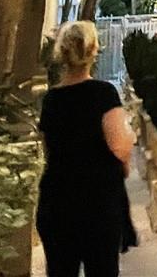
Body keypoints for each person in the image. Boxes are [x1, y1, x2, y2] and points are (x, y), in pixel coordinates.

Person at [37, 21, 136, 277]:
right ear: (94, 50)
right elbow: (119, 146)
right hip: (98, 202)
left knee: (60, 271)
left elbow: (49, 151)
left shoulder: (52, 100)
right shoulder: (103, 94)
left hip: (57, 201)